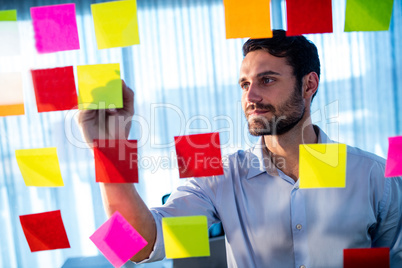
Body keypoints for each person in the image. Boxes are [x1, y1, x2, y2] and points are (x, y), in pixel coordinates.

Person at [78, 30, 402, 267]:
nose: (251, 96)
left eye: (267, 80)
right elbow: (132, 248)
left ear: (309, 85)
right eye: (245, 84)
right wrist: (107, 147)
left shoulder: (373, 175)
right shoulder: (220, 174)